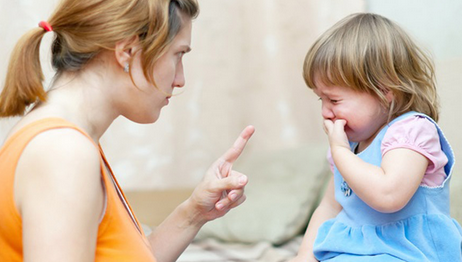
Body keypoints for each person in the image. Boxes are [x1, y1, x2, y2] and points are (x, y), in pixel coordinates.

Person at [0, 0, 255, 261]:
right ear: (128, 50)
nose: (180, 80)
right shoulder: (62, 152)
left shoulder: (65, 139)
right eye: (178, 54)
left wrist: (194, 214)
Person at [290, 13, 462, 262]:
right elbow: (329, 207)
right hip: (354, 252)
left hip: (409, 253)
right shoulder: (349, 145)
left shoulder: (412, 131)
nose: (325, 112)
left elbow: (388, 196)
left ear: (384, 91)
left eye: (334, 100)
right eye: (321, 99)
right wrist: (303, 257)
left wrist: (340, 152)